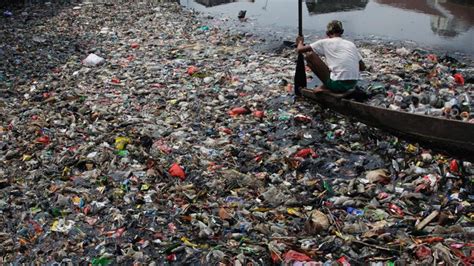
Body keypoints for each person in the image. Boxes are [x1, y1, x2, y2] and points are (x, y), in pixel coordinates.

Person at [296, 20, 366, 93]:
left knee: (310, 56)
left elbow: (300, 50)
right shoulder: (351, 44)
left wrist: (300, 41)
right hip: (353, 84)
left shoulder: (325, 42)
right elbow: (362, 67)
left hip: (338, 85)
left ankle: (326, 87)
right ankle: (326, 85)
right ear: (342, 32)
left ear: (327, 33)